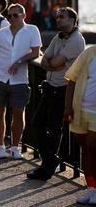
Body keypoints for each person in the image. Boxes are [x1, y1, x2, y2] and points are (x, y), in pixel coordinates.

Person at [28, 7, 84, 181]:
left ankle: (46, 168)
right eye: (57, 17)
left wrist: (53, 63)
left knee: (54, 129)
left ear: (73, 20)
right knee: (36, 124)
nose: (58, 20)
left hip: (63, 89)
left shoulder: (77, 40)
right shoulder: (57, 37)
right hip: (50, 86)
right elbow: (45, 59)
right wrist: (53, 64)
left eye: (62, 17)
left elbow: (56, 61)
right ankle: (51, 159)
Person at [0, 4, 41, 159]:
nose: (11, 18)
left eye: (15, 15)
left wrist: (19, 62)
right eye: (9, 16)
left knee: (18, 113)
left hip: (20, 79)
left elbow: (36, 52)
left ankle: (15, 147)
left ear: (23, 15)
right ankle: (0, 147)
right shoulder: (1, 33)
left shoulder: (32, 30)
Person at [64, 39, 96, 204]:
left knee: (93, 147)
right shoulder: (89, 53)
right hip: (81, 109)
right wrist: (68, 106)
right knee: (86, 149)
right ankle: (91, 187)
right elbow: (72, 79)